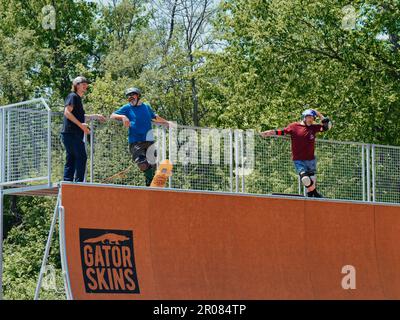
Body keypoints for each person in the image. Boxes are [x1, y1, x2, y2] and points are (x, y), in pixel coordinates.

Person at [261, 109, 332, 198]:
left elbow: (327, 126)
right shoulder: (294, 126)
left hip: (311, 159)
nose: (311, 120)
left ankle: (311, 196)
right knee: (305, 179)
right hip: (299, 160)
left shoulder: (314, 127)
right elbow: (283, 132)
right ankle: (315, 194)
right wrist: (270, 132)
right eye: (309, 117)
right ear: (304, 117)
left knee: (312, 181)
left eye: (312, 118)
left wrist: (318, 114)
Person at [110, 87, 171, 186]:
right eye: (128, 97)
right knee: (142, 164)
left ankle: (150, 186)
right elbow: (112, 115)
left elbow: (154, 117)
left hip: (149, 141)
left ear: (138, 96)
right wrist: (123, 117)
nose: (130, 98)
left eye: (132, 96)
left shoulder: (146, 107)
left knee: (154, 165)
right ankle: (150, 182)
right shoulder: (127, 108)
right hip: (135, 142)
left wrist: (167, 122)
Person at [61, 76, 106, 182]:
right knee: (81, 157)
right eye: (83, 83)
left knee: (71, 158)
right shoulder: (73, 96)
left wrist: (95, 116)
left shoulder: (78, 99)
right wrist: (82, 126)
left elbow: (80, 117)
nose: (86, 85)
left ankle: (67, 182)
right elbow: (67, 112)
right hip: (71, 133)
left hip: (70, 134)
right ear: (76, 85)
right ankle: (79, 183)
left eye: (86, 83)